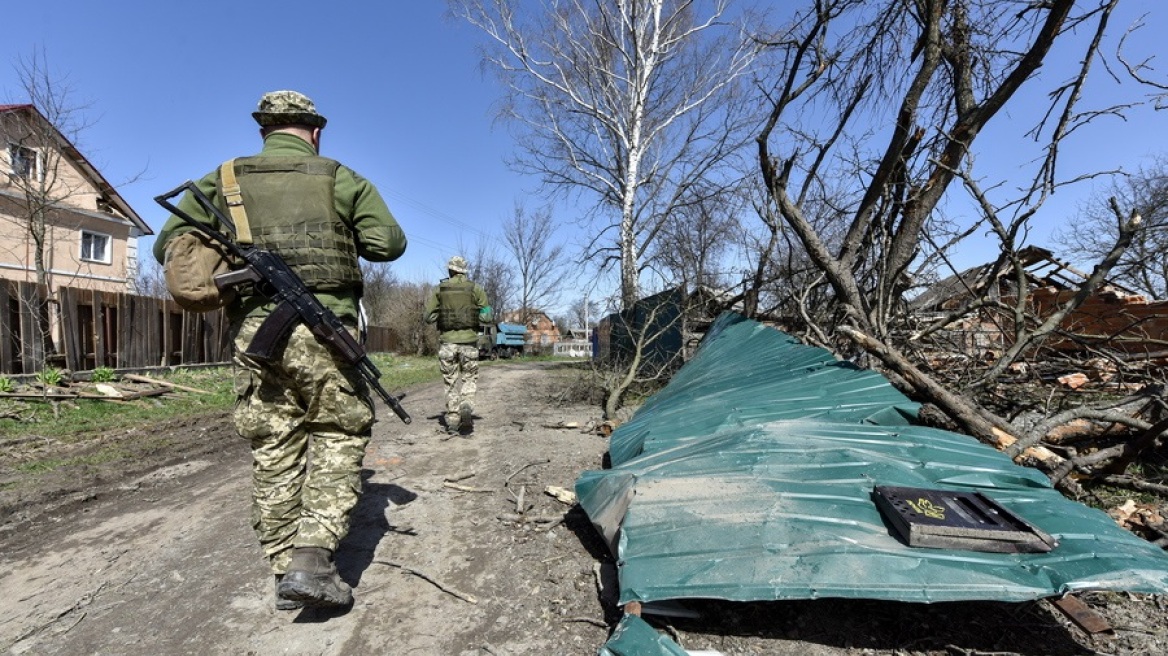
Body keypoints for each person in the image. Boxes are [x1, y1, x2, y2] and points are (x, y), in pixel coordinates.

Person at [152, 90, 407, 610]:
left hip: (253, 330)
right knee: (338, 430)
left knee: (273, 443)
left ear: (264, 129)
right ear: (314, 130)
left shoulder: (222, 180)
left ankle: (281, 568)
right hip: (324, 328)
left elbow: (168, 247)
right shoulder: (339, 176)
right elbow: (388, 243)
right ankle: (311, 560)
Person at [423, 256, 490, 435]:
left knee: (450, 381)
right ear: (464, 270)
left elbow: (428, 317)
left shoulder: (439, 289)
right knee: (469, 378)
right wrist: (473, 314)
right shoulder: (476, 289)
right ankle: (466, 403)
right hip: (469, 343)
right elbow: (487, 316)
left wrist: (443, 314)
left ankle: (453, 419)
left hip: (447, 343)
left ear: (450, 270)